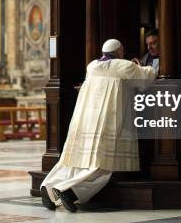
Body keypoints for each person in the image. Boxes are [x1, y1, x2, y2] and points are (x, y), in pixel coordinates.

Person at [40, 39, 157, 212]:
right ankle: (70, 192)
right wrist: (141, 65)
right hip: (107, 122)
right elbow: (147, 76)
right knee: (103, 166)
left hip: (86, 121)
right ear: (118, 52)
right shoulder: (123, 66)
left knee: (75, 161)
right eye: (122, 51)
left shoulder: (92, 65)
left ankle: (49, 186)